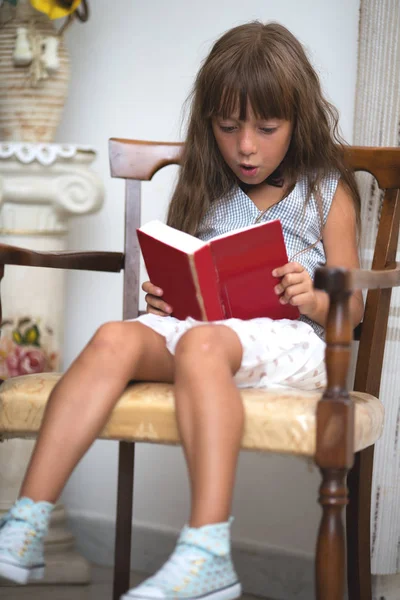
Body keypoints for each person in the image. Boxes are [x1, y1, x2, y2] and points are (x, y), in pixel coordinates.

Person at [0, 20, 364, 600]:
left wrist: (314, 294)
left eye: (267, 128)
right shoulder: (207, 186)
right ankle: (25, 521)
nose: (246, 146)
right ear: (209, 126)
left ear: (298, 124)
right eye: (228, 127)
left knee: (200, 343)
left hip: (293, 343)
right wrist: (166, 296)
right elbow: (193, 269)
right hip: (208, 334)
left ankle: (207, 550)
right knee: (114, 338)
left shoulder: (325, 191)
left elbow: (356, 303)